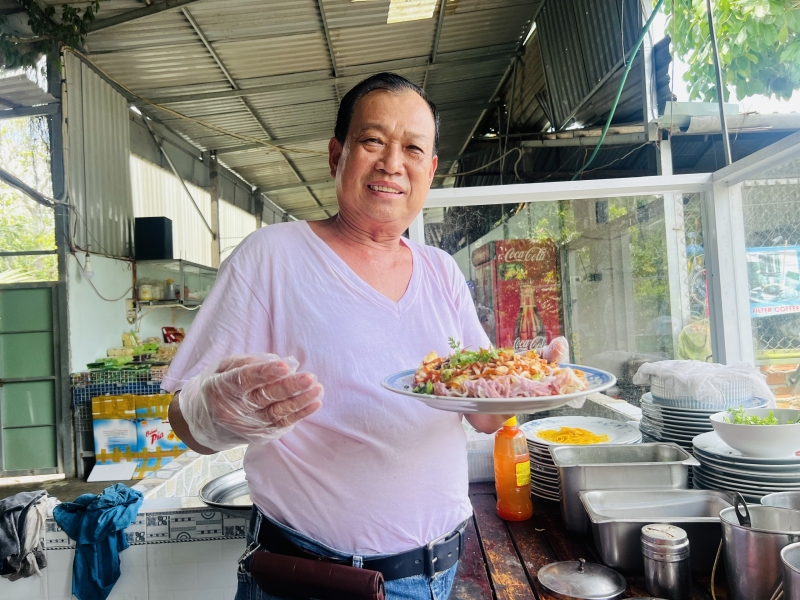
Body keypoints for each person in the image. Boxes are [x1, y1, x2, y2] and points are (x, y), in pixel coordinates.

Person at [164, 72, 566, 600]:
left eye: (413, 149)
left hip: (440, 571)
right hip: (312, 579)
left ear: (430, 170)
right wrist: (213, 412)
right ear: (337, 155)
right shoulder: (272, 257)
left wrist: (533, 385)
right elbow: (185, 421)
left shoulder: (441, 270)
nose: (392, 164)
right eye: (373, 141)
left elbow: (484, 415)